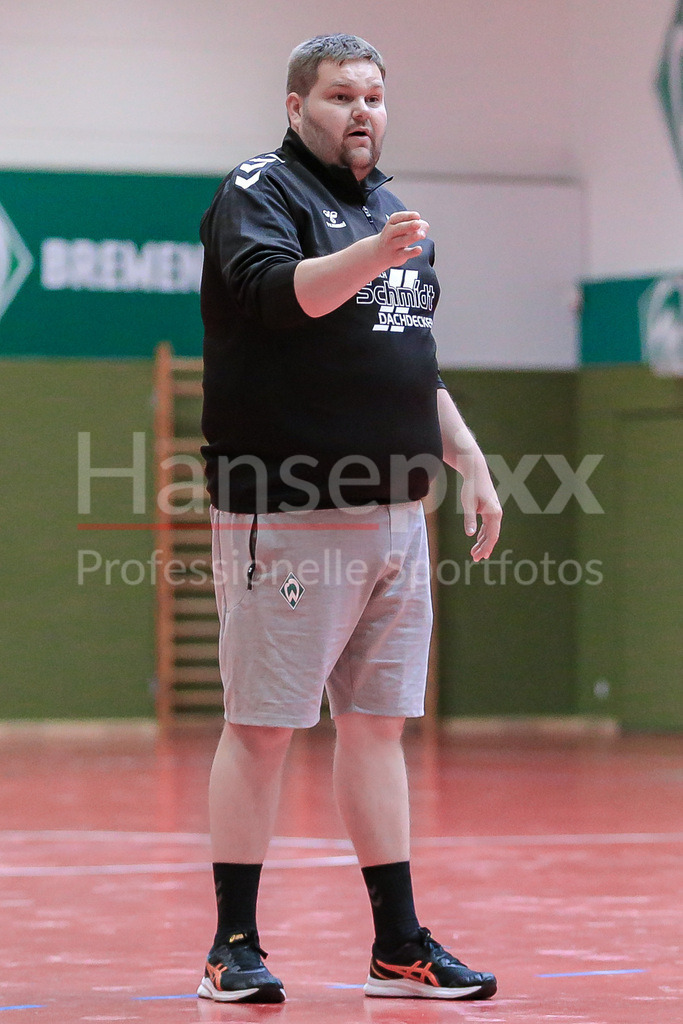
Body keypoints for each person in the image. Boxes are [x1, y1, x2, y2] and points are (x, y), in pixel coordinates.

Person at [197, 33, 502, 1004]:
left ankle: (396, 944)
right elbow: (279, 299)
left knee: (375, 730)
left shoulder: (388, 210)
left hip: (393, 519)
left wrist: (468, 456)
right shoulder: (262, 194)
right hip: (287, 514)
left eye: (373, 95)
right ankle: (230, 946)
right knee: (263, 728)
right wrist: (371, 253)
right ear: (296, 107)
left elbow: (411, 353)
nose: (360, 111)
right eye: (339, 96)